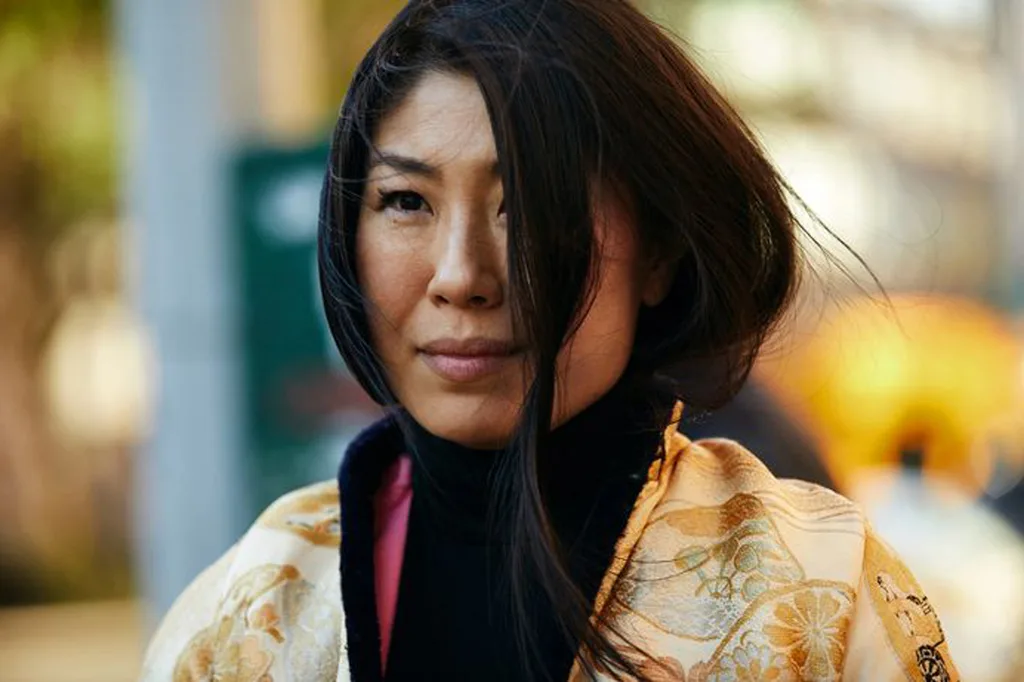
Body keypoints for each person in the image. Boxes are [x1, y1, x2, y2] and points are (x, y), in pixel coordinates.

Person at [140, 1, 958, 680]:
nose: (461, 274)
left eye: (530, 205)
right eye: (405, 202)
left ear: (661, 253)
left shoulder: (816, 593)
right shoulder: (251, 612)